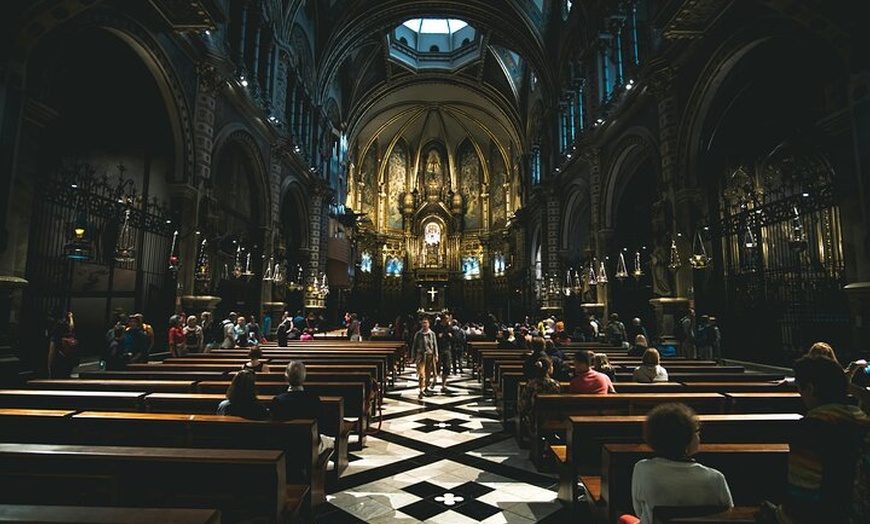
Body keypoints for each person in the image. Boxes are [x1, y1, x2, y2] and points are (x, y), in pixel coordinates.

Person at [756, 355, 870, 524]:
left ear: (810, 388)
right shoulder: (863, 423)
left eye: (800, 389)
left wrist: (776, 515)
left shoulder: (810, 429)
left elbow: (802, 499)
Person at [618, 403, 733, 524]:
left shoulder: (642, 469)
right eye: (697, 432)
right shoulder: (715, 478)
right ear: (688, 438)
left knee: (625, 519)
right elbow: (728, 515)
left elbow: (639, 510)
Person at [270, 361, 334, 454]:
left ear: (286, 378)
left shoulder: (278, 400)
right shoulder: (313, 399)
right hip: (309, 444)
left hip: (284, 445)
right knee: (331, 442)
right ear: (304, 378)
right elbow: (321, 423)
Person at [517, 355, 561, 436]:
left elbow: (524, 402)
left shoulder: (532, 383)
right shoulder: (555, 384)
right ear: (549, 369)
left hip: (535, 415)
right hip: (552, 414)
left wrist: (522, 411)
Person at [411, 317, 439, 398]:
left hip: (430, 355)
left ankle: (426, 387)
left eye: (426, 323)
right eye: (423, 323)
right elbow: (414, 345)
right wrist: (413, 356)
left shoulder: (432, 334)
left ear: (428, 324)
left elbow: (435, 345)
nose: (424, 324)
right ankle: (420, 389)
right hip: (421, 355)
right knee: (421, 374)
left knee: (428, 373)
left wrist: (436, 355)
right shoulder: (418, 334)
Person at [47, 309, 78, 378]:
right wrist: (71, 317)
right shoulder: (70, 336)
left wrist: (49, 367)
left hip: (58, 363)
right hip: (67, 362)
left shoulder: (56, 337)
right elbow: (71, 327)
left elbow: (51, 354)